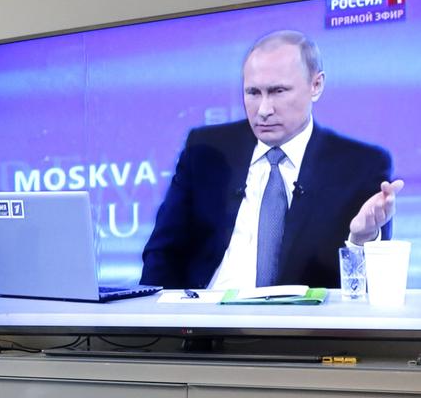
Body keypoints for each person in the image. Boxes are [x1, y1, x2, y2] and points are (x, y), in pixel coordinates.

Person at [140, 30, 405, 290]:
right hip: (207, 322)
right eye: (253, 93)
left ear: (316, 85)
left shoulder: (360, 165)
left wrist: (362, 239)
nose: (264, 110)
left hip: (299, 328)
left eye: (278, 91)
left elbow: (367, 293)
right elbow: (161, 255)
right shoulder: (207, 151)